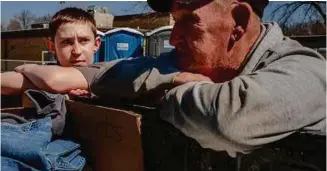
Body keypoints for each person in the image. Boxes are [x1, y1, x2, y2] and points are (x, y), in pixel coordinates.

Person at [8, 0, 326, 157]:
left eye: (188, 21)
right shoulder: (177, 63)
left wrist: (166, 89)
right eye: (174, 22)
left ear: (238, 23)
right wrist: (27, 70)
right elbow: (89, 74)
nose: (173, 37)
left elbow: (230, 119)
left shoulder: (305, 69)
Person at [1, 7, 101, 96]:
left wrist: (27, 68)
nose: (77, 51)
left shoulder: (101, 72)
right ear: (52, 46)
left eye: (84, 41)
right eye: (66, 42)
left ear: (96, 44)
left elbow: (52, 80)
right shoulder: (45, 72)